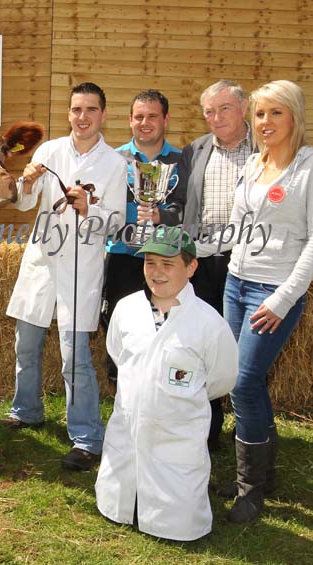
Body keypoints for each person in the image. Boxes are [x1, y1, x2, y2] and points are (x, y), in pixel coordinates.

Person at [196, 80, 313, 523]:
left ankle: (250, 491)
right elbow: (235, 230)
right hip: (237, 283)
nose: (265, 122)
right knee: (245, 381)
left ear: (294, 115)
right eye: (260, 114)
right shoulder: (256, 165)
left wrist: (283, 299)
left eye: (276, 113)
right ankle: (262, 477)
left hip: (273, 292)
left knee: (243, 382)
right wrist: (188, 246)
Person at [0, 82, 127, 471]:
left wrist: (90, 209)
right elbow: (21, 203)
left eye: (90, 109)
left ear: (103, 115)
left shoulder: (115, 164)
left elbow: (117, 225)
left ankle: (87, 438)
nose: (82, 117)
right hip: (41, 262)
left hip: (81, 267)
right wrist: (28, 180)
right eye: (76, 110)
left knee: (74, 358)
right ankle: (26, 410)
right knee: (26, 344)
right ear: (68, 114)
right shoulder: (49, 150)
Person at [96, 226, 238, 541]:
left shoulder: (209, 324)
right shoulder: (127, 309)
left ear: (191, 267)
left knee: (178, 511)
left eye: (168, 264)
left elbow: (220, 379)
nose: (157, 272)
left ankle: (170, 516)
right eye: (150, 263)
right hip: (129, 426)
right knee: (122, 475)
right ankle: (124, 504)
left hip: (177, 442)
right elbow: (118, 353)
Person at [175, 80, 255, 451]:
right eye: (209, 111)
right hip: (203, 262)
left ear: (243, 109)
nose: (216, 117)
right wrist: (158, 214)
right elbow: (180, 204)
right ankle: (208, 429)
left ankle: (249, 430)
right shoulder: (195, 150)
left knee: (243, 349)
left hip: (248, 263)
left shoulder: (266, 149)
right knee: (204, 343)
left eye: (224, 108)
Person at [100, 89, 184, 387]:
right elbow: (101, 206)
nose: (144, 122)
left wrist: (164, 215)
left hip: (165, 258)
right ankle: (120, 385)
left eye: (152, 116)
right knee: (117, 323)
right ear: (129, 120)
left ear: (166, 120)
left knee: (164, 323)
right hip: (123, 254)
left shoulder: (181, 160)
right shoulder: (113, 158)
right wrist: (131, 213)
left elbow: (187, 206)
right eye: (138, 117)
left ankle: (158, 386)